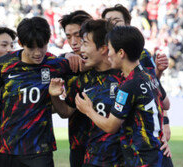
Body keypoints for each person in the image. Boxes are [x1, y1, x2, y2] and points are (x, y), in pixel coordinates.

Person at [75, 26, 173, 167]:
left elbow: (111, 127)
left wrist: (88, 110)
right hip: (161, 156)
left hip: (143, 160)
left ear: (121, 53)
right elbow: (166, 104)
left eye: (110, 50)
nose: (108, 55)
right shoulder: (149, 74)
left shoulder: (128, 86)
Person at [0, 16, 77, 167]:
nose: (37, 53)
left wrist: (71, 55)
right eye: (31, 47)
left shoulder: (56, 65)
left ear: (48, 41)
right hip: (7, 148)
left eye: (41, 46)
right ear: (21, 44)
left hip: (40, 150)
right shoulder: (3, 65)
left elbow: (87, 65)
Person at [49, 19, 124, 167]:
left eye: (85, 43)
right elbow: (66, 112)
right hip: (93, 160)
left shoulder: (126, 76)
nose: (80, 49)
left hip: (126, 159)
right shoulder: (81, 80)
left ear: (103, 48)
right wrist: (54, 95)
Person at [101, 3, 171, 139]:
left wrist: (164, 124)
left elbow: (155, 91)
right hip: (107, 140)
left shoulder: (141, 55)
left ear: (127, 24)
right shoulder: (97, 54)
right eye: (107, 22)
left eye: (117, 21)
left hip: (134, 140)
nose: (112, 25)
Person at [58, 10, 93, 167]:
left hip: (111, 145)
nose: (73, 41)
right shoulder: (65, 64)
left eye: (78, 35)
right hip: (78, 144)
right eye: (68, 36)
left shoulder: (112, 62)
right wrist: (65, 57)